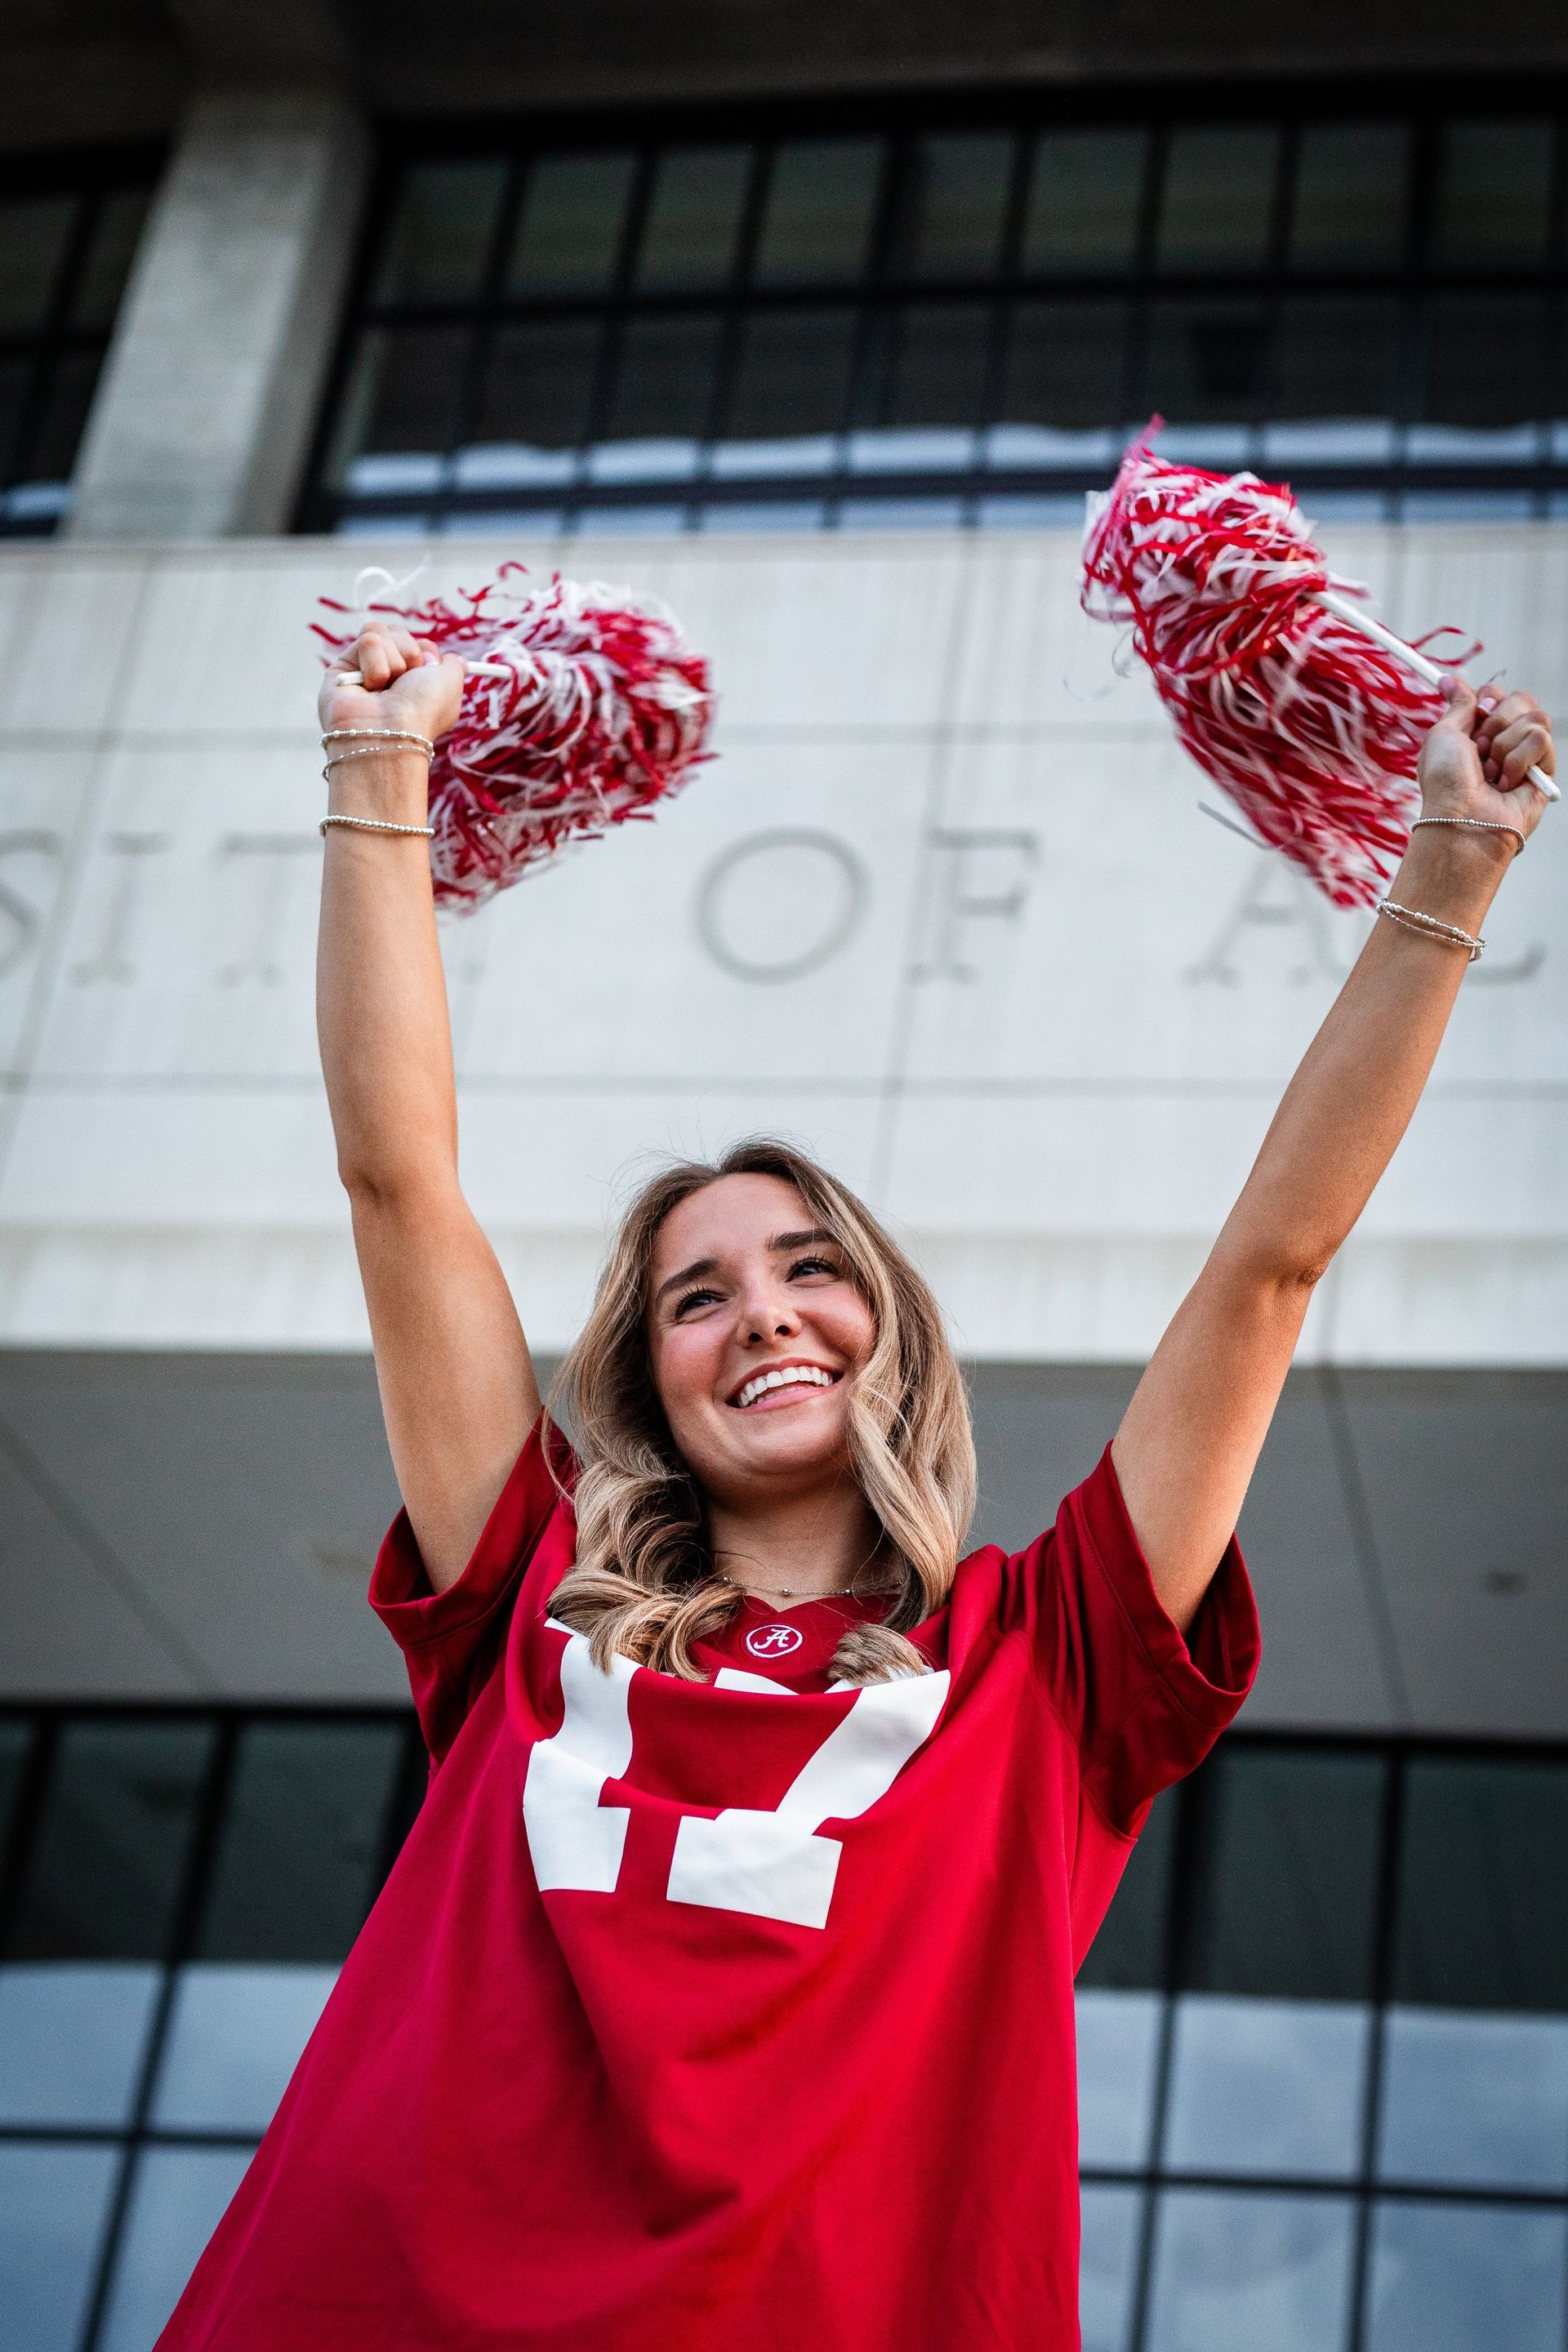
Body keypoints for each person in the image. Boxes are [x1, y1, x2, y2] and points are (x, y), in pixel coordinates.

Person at [158, 626, 1554, 2352]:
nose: (762, 1312)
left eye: (809, 1267)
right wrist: (377, 777)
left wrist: (1454, 864)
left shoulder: (1058, 1661)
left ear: (884, 1320)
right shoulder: (525, 1593)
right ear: (648, 1382)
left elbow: (1273, 1263)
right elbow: (397, 1186)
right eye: (698, 1293)